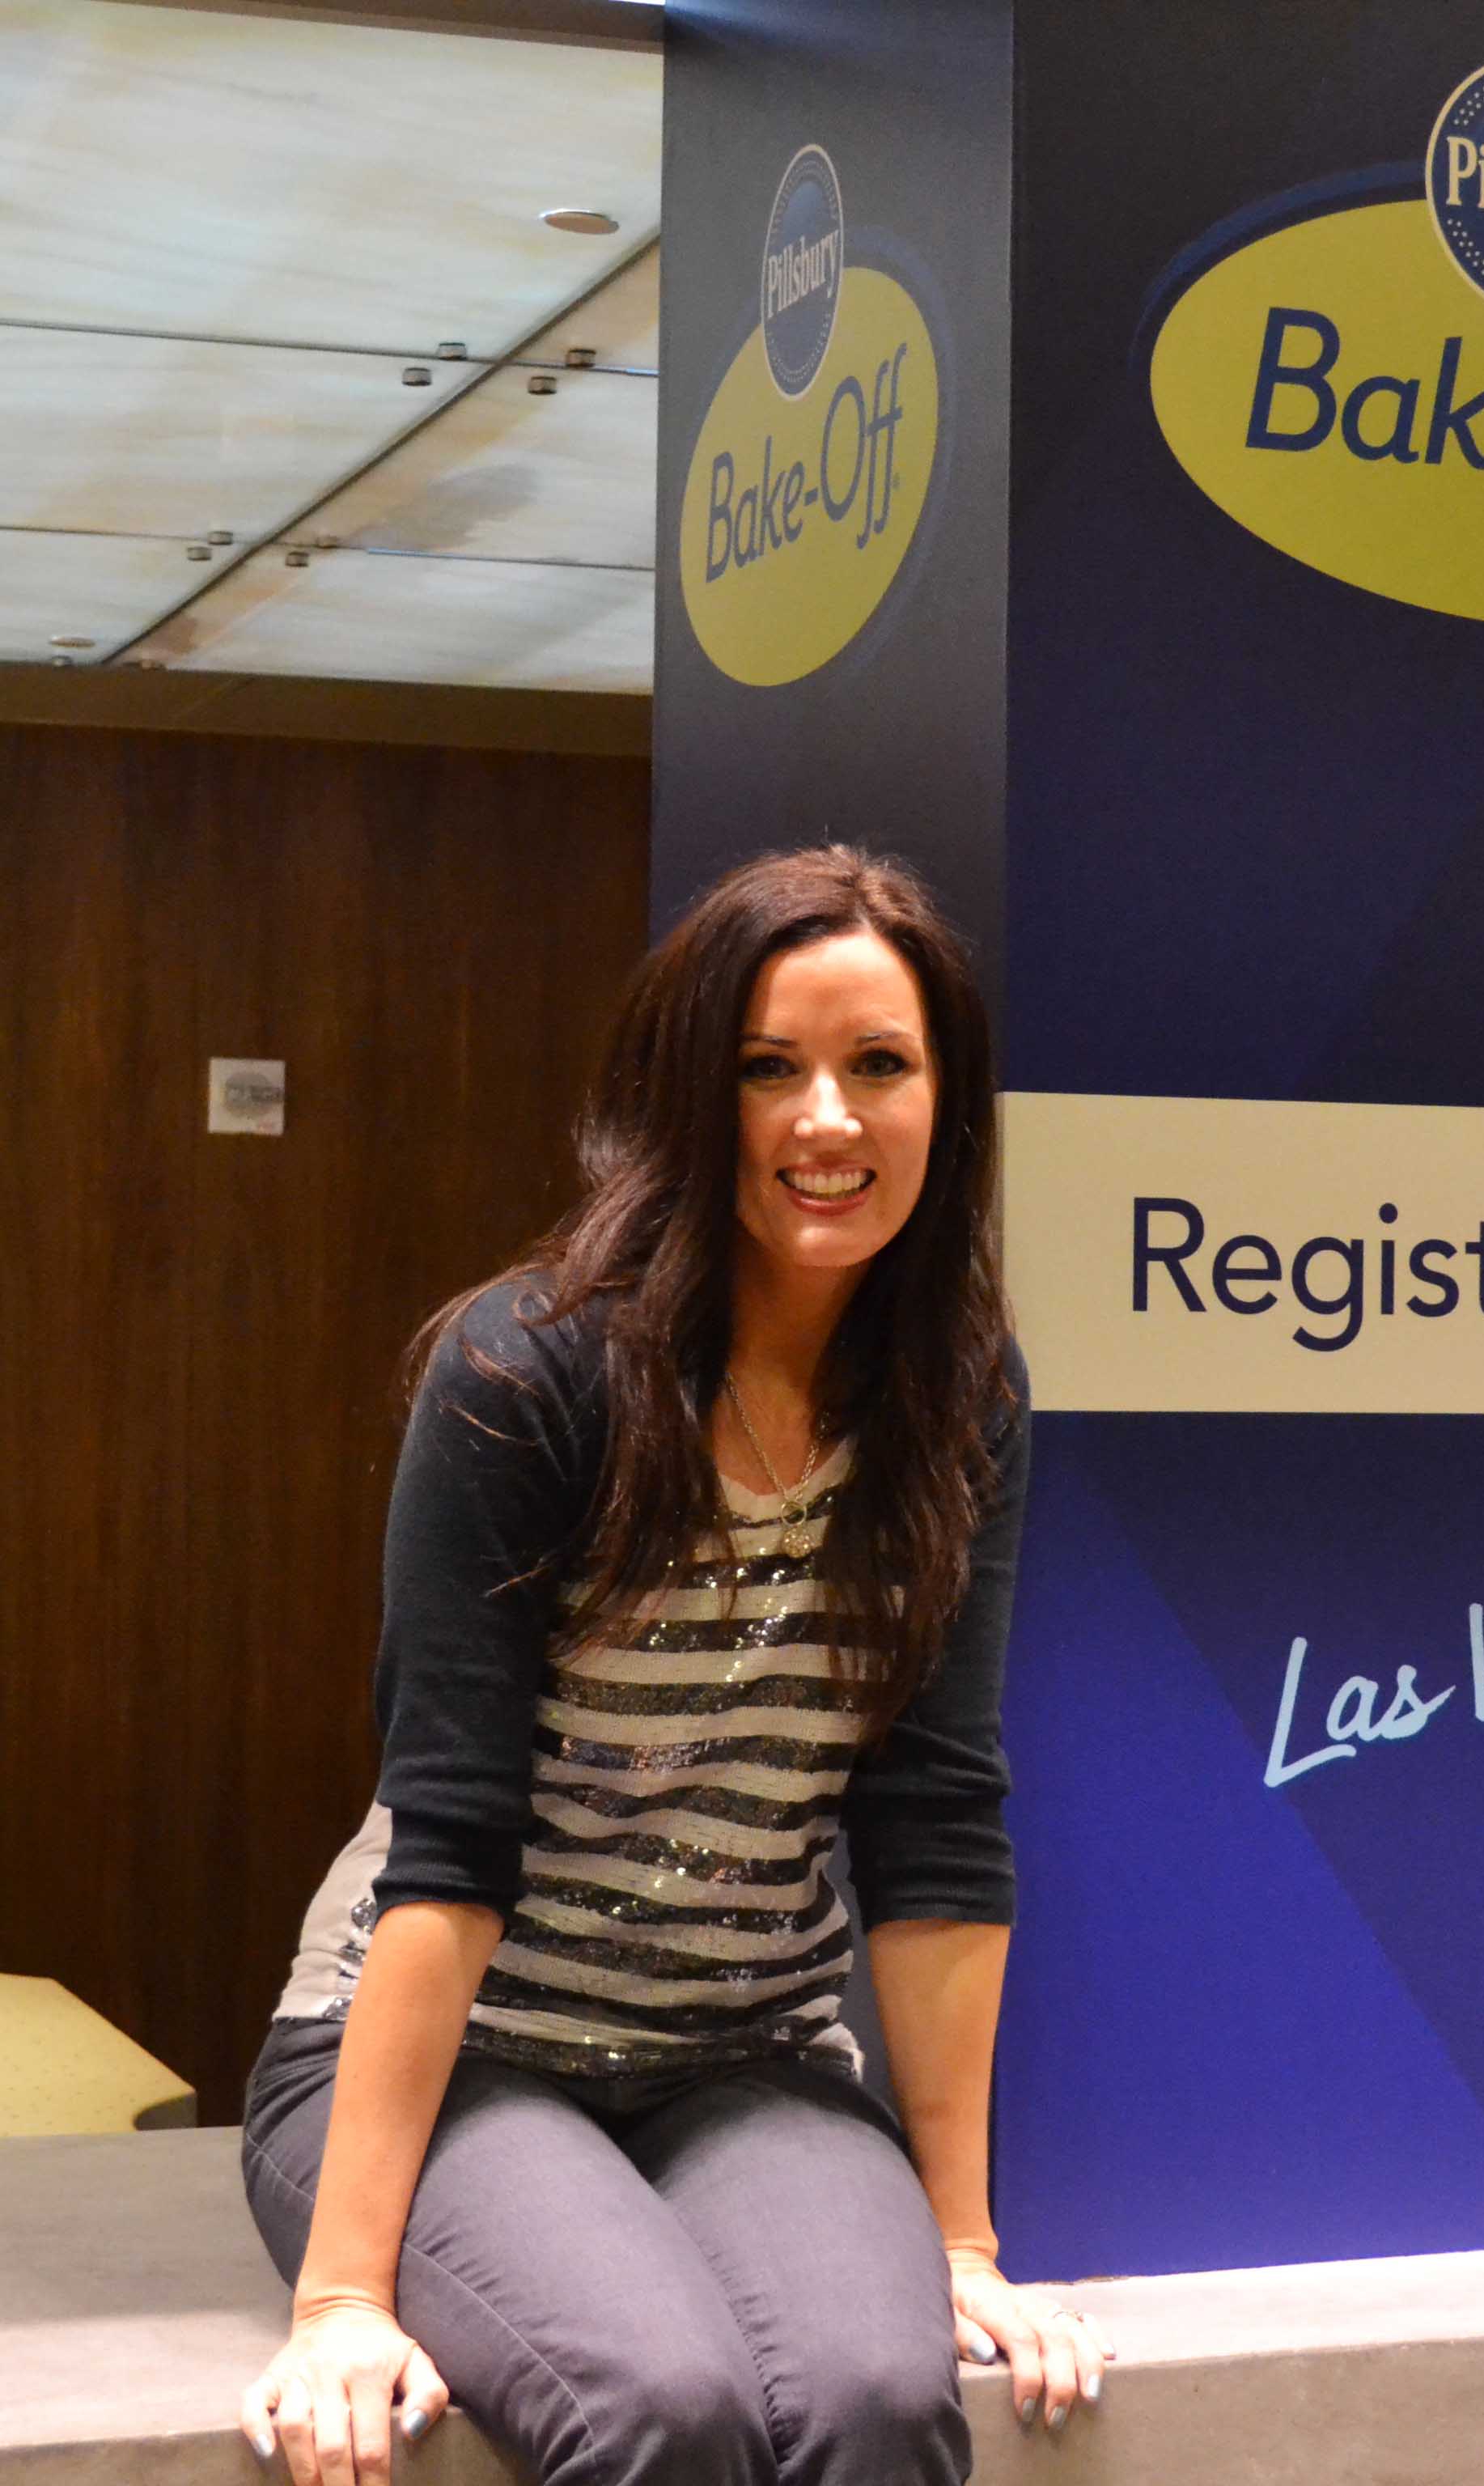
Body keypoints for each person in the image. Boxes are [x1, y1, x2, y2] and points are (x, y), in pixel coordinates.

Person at [236, 846, 1109, 2486]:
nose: (825, 1121)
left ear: (950, 1100)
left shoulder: (957, 1397)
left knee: (872, 2391)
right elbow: (450, 1842)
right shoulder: (530, 1370)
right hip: (456, 2052)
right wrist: (340, 2293)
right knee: (664, 2400)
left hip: (745, 2054)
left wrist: (964, 2241)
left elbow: (935, 1818)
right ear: (679, 1098)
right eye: (764, 1069)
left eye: (879, 1066)